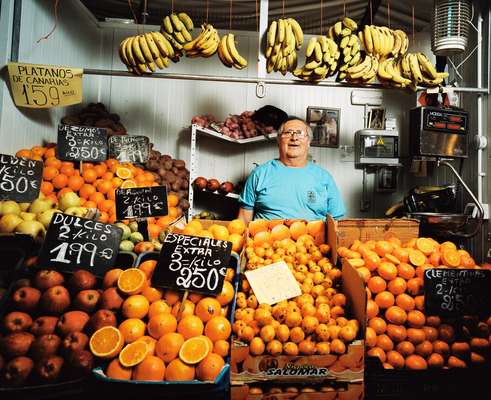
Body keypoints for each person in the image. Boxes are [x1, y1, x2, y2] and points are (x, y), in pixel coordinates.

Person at [237, 117, 346, 224]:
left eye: (300, 133)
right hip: (267, 240)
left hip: (312, 241)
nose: (294, 138)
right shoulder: (259, 174)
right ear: (278, 141)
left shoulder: (324, 177)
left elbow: (337, 222)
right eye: (288, 133)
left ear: (308, 142)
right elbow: (243, 220)